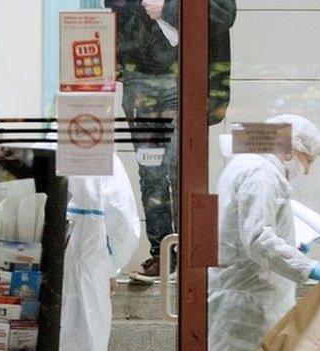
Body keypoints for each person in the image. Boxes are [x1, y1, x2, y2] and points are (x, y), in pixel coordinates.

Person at [107, 0, 236, 282]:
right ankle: (163, 256)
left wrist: (168, 8)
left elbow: (224, 13)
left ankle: (193, 256)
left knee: (184, 168)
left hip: (187, 76)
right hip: (139, 78)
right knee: (151, 172)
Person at [208, 114, 320, 351]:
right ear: (293, 148)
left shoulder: (247, 165)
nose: (306, 170)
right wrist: (310, 267)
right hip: (249, 304)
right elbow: (258, 238)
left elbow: (245, 232)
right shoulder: (261, 173)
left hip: (244, 295)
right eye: (308, 160)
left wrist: (290, 250)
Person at [59, 154, 141, 351]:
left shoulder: (39, 146)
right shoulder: (103, 157)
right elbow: (123, 225)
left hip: (41, 272)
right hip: (89, 275)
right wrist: (110, 267)